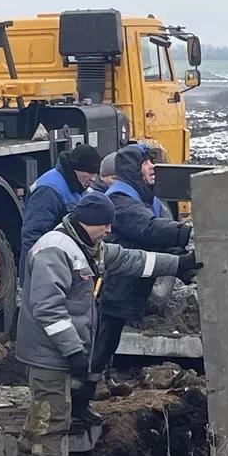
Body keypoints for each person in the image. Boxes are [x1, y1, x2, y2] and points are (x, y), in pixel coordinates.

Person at [14, 194, 202, 456]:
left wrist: (178, 265)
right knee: (52, 423)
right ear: (90, 221)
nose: (110, 230)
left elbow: (132, 260)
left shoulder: (86, 244)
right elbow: (47, 308)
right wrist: (72, 351)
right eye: (106, 224)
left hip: (57, 350)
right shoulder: (56, 250)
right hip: (49, 354)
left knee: (39, 422)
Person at [90, 143, 192, 399]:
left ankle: (102, 377)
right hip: (115, 280)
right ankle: (91, 385)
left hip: (132, 280)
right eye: (146, 162)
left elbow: (156, 236)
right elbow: (147, 230)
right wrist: (187, 233)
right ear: (134, 169)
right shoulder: (120, 199)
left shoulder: (146, 197)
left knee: (110, 334)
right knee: (103, 334)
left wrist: (183, 258)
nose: (152, 167)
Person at [18, 144, 102, 275]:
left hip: (61, 263)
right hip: (46, 267)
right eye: (89, 173)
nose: (93, 178)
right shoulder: (48, 190)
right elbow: (33, 236)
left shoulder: (77, 186)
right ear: (76, 169)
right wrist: (37, 273)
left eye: (95, 173)